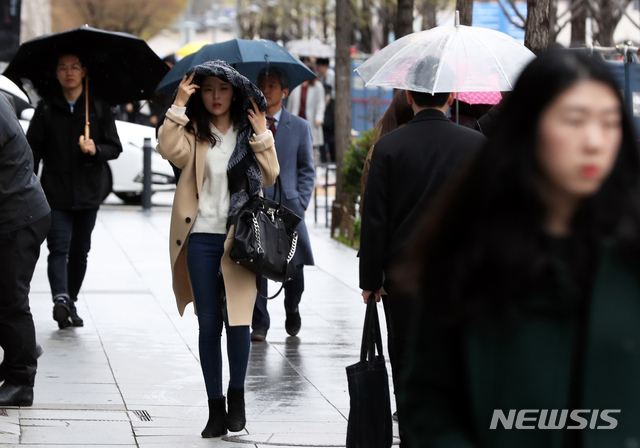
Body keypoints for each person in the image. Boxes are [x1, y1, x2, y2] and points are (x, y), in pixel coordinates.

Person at [398, 49, 640, 447]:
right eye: (574, 121)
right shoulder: (470, 255)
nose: (595, 141)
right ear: (529, 128)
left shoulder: (630, 255)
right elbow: (428, 399)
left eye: (610, 122)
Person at [359, 59, 487, 447]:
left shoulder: (388, 147)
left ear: (409, 96)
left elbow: (375, 220)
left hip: (404, 280)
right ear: (451, 96)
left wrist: (370, 280)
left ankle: (413, 435)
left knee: (408, 359)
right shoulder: (477, 146)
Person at [156, 60, 279, 438]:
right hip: (200, 239)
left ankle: (237, 399)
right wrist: (178, 105)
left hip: (239, 240)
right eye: (207, 89)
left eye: (222, 89)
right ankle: (215, 408)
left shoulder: (248, 132)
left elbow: (270, 175)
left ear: (235, 92)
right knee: (208, 325)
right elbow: (167, 148)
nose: (215, 96)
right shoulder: (193, 131)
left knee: (238, 322)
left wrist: (262, 135)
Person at [27, 53, 122, 329]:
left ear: (84, 72)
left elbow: (115, 147)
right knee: (58, 248)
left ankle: (71, 301)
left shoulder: (98, 108)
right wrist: (27, 185)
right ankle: (60, 298)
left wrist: (97, 149)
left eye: (75, 67)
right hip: (54, 193)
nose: (69, 72)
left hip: (88, 193)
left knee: (80, 251)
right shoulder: (46, 108)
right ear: (56, 74)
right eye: (63, 67)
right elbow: (32, 151)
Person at [250, 67, 315, 342]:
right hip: (257, 204)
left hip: (290, 206)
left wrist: (300, 198)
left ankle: (293, 308)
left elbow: (307, 169)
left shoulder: (300, 127)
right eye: (262, 84)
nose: (266, 89)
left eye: (273, 85)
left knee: (294, 268)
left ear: (285, 92)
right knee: (256, 263)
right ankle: (260, 323)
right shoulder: (249, 124)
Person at [0, 93, 51, 407]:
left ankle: (21, 381)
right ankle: (24, 349)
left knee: (10, 300)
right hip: (18, 211)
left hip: (18, 215)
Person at [287, 59, 326, 164]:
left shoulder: (317, 86)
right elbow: (291, 103)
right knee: (295, 147)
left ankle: (312, 172)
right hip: (296, 120)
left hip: (311, 121)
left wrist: (319, 118)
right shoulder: (296, 85)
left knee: (311, 147)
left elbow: (320, 104)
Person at [316, 57, 336, 162]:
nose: (317, 69)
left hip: (329, 109)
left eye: (318, 66)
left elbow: (328, 94)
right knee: (322, 138)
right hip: (323, 110)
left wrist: (322, 108)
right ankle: (324, 161)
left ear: (324, 66)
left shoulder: (330, 75)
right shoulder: (320, 76)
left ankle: (333, 161)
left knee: (331, 138)